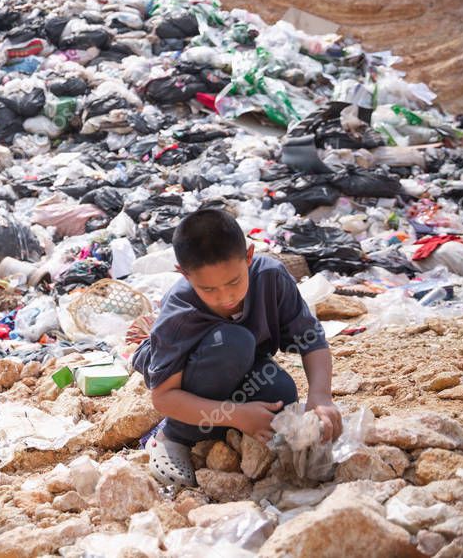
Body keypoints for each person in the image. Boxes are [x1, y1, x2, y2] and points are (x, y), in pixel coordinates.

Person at [131, 208, 342, 487]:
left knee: (281, 394)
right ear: (183, 274)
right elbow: (164, 397)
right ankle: (174, 435)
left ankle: (215, 427)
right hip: (188, 375)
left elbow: (311, 340)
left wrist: (320, 397)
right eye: (208, 290)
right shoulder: (180, 311)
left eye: (234, 281)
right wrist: (237, 415)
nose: (226, 297)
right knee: (234, 343)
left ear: (249, 256)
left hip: (241, 364)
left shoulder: (271, 278)